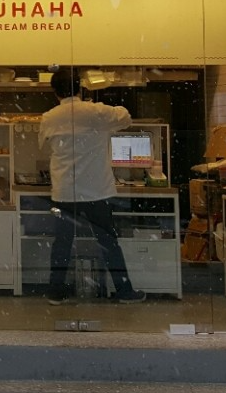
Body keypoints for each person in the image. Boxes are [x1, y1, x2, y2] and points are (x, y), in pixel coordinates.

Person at [38, 66, 146, 305]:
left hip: (65, 190)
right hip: (97, 190)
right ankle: (124, 291)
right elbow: (125, 116)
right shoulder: (97, 112)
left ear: (55, 92)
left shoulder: (49, 117)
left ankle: (55, 292)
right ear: (80, 88)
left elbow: (43, 145)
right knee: (108, 242)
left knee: (62, 243)